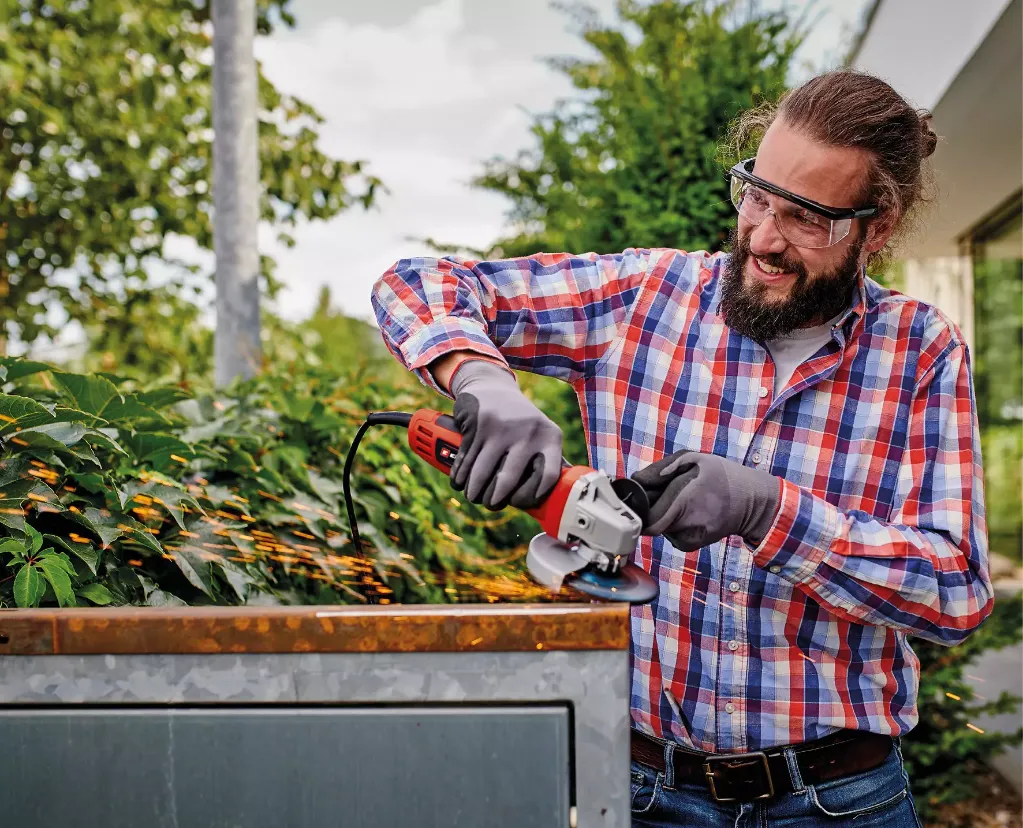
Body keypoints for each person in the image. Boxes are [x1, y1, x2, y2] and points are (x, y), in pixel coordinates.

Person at [369, 70, 993, 826]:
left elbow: (954, 591)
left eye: (805, 219)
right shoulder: (641, 298)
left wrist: (768, 511)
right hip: (641, 792)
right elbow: (414, 283)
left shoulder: (919, 351)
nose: (763, 237)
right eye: (757, 195)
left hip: (840, 800)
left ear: (876, 227)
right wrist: (480, 377)